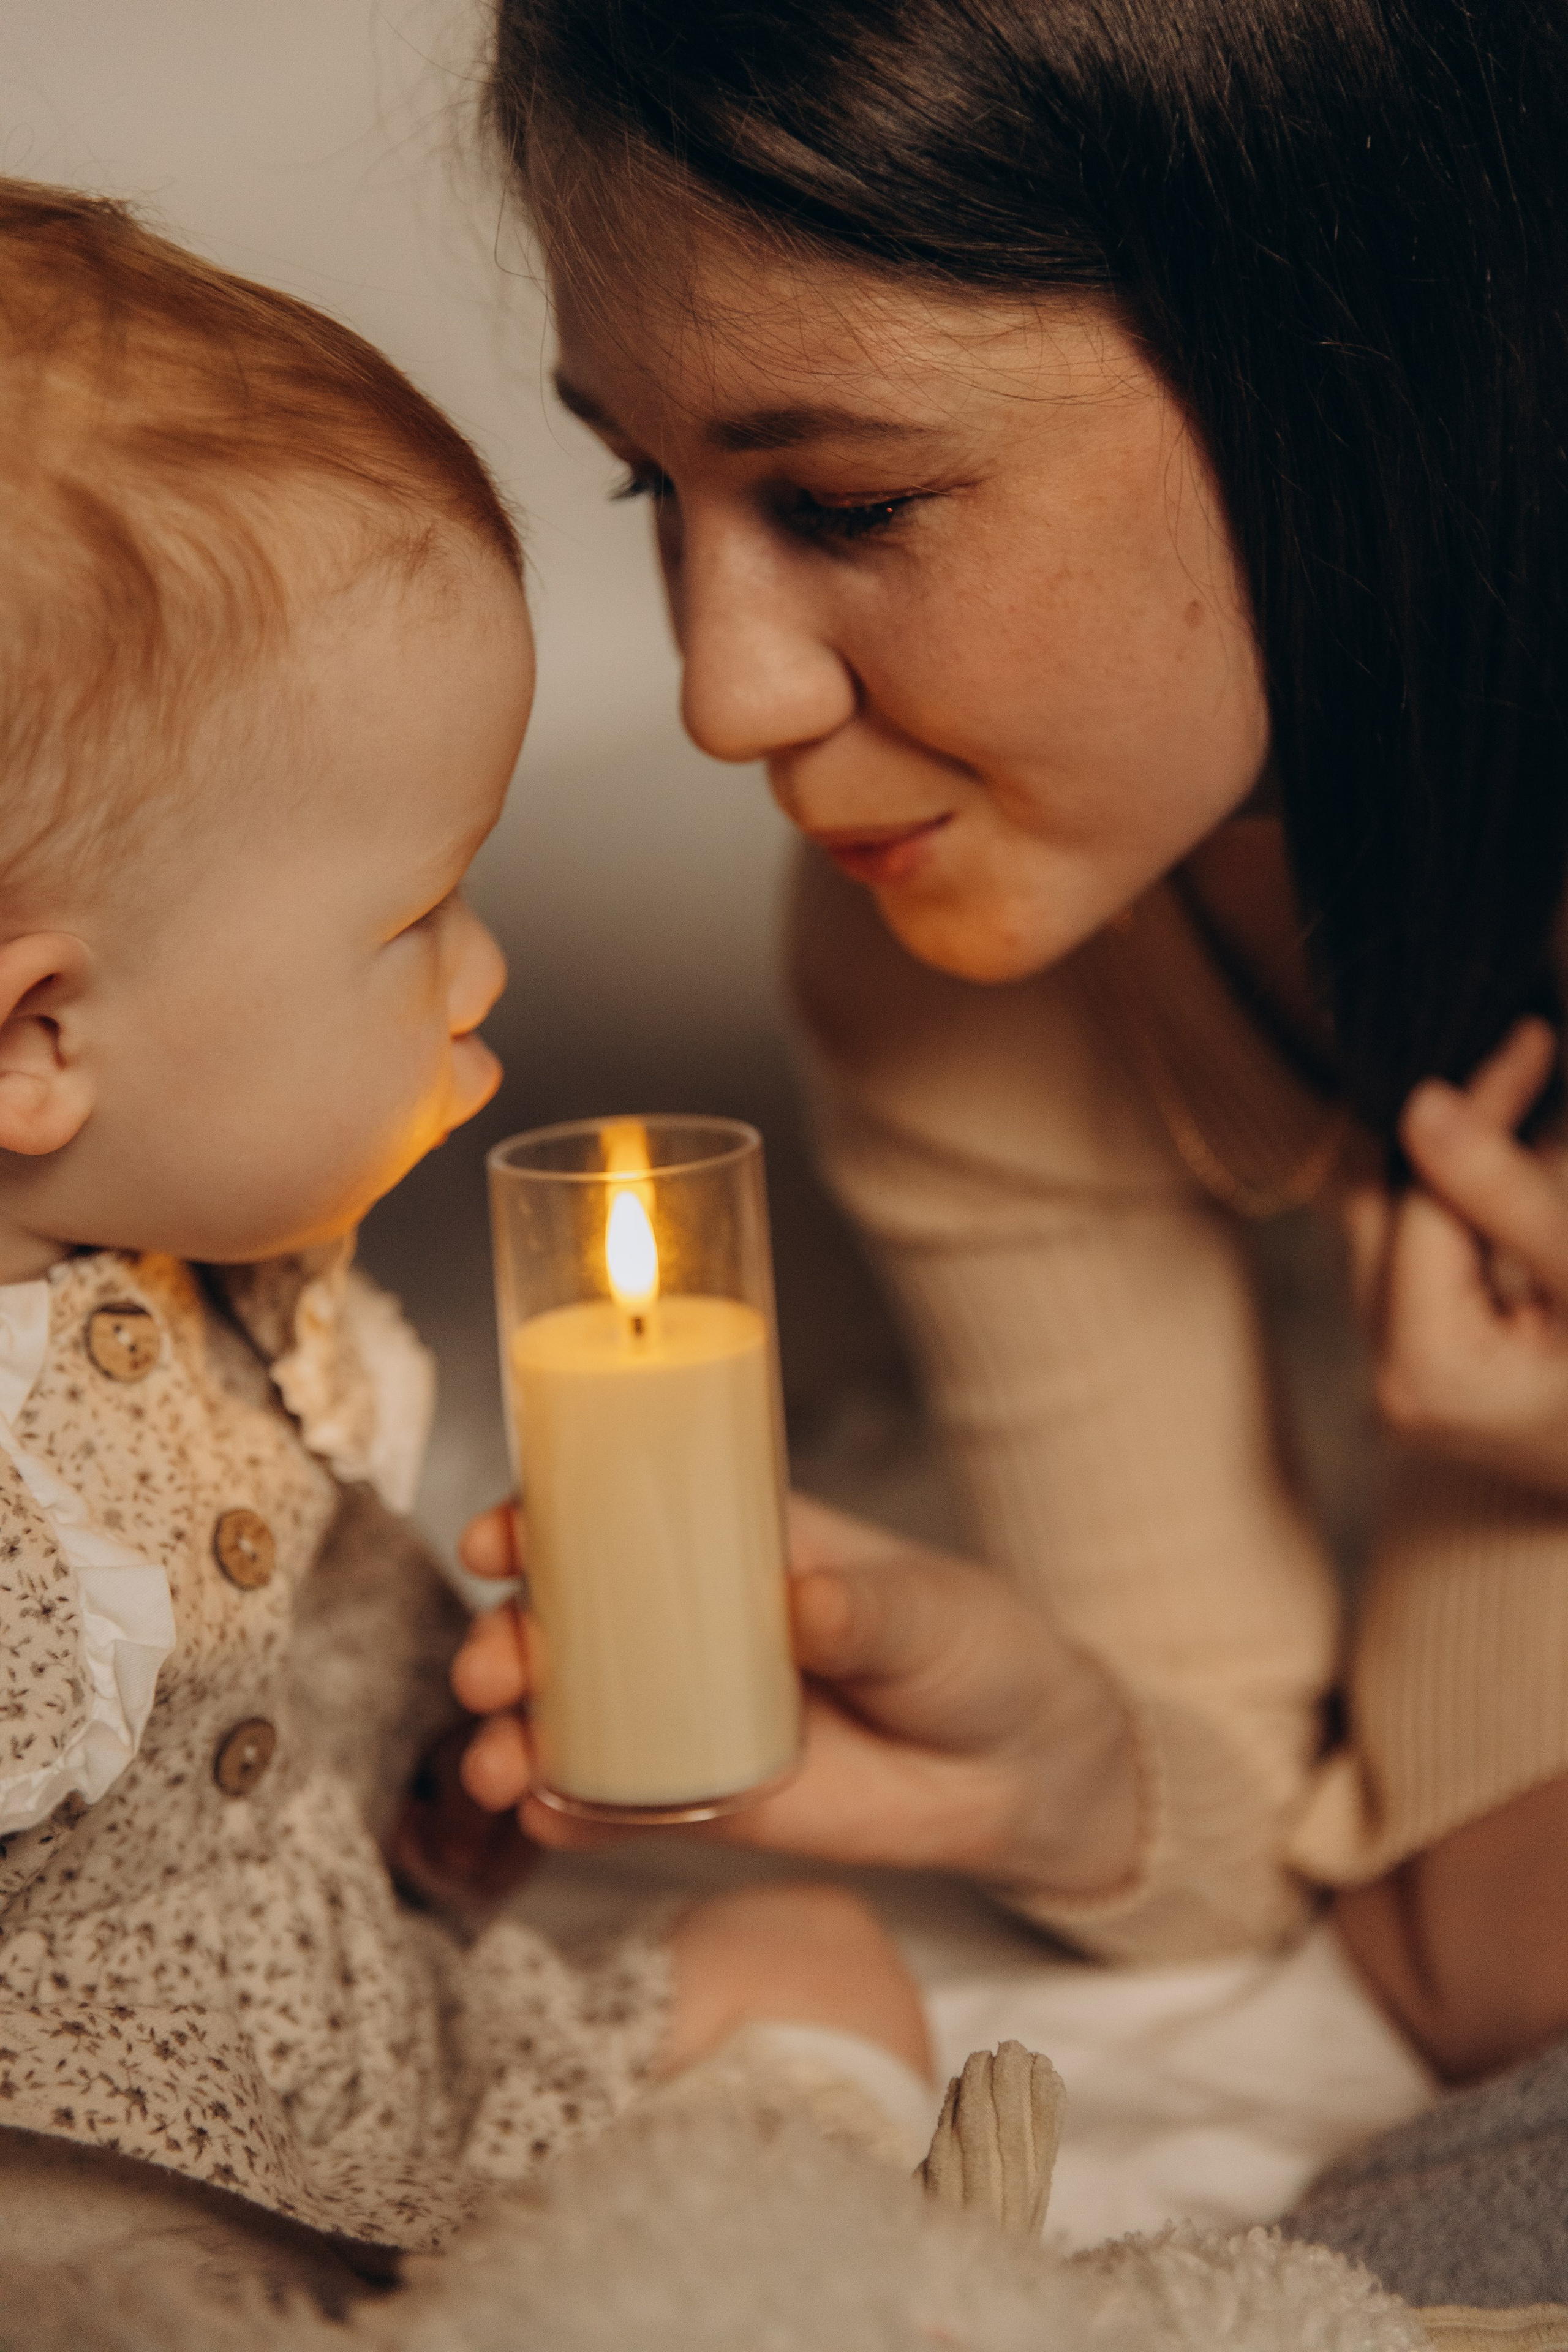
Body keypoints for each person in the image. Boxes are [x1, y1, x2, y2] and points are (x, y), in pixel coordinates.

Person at [454, 0, 1568, 2097]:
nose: (724, 696)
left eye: (848, 502)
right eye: (649, 485)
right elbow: (1327, 1885)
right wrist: (1063, 1772)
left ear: (1358, 376)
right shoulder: (936, 953)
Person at [0, 179, 930, 2310]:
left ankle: (709, 2267)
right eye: (418, 911)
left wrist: (427, 1795)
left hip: (333, 2058)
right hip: (75, 2160)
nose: (482, 968)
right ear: (39, 1041)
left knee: (807, 1955)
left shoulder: (204, 1297)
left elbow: (280, 1694)